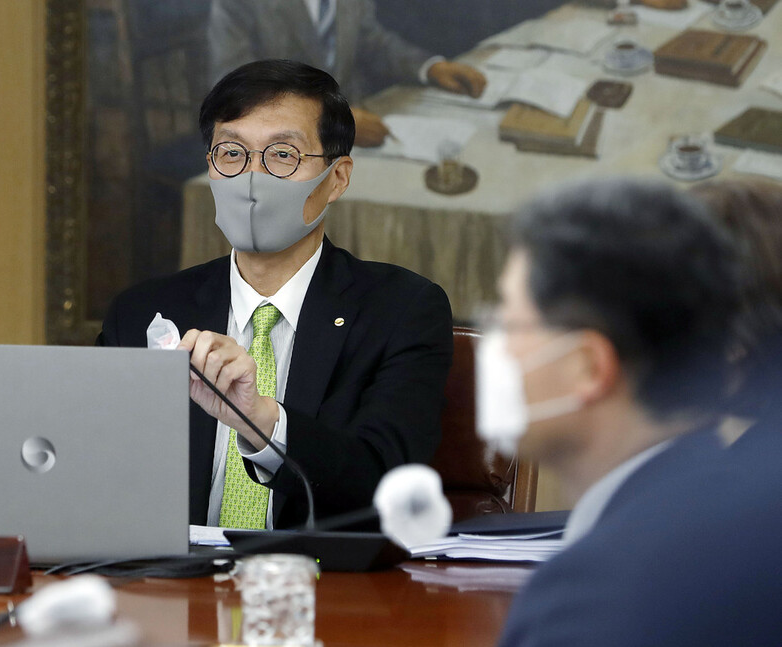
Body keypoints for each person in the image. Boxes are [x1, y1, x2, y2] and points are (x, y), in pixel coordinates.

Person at [98, 59, 454, 531]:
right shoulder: (144, 313)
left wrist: (261, 420)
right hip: (172, 590)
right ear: (210, 166)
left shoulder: (402, 310)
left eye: (282, 155)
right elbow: (94, 473)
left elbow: (388, 483)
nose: (251, 177)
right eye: (231, 153)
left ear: (337, 179)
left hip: (323, 588)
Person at [481, 177, 779, 647]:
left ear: (589, 365)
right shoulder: (722, 511)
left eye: (512, 323)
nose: (494, 349)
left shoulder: (601, 591)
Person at [207, 0, 487, 147]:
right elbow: (235, 88)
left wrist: (430, 67)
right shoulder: (238, 2)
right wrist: (331, 120)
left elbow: (370, 40)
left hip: (360, 130)